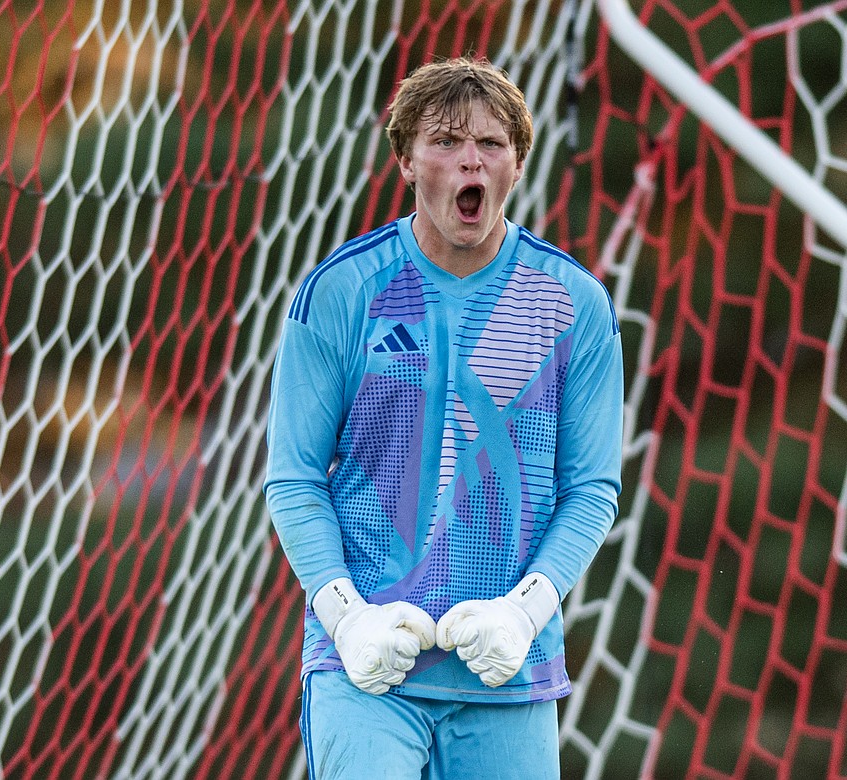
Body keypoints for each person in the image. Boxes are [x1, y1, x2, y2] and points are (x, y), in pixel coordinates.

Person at [263, 56, 623, 778]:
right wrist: (347, 615)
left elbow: (592, 491)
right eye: (446, 140)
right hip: (366, 673)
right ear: (404, 158)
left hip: (507, 677)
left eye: (490, 144)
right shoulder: (342, 291)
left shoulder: (574, 304)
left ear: (517, 164)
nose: (470, 160)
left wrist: (523, 614)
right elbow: (294, 479)